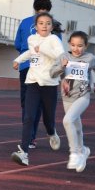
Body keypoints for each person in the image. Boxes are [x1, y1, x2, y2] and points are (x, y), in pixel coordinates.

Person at [11, 12, 64, 166]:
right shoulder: (31, 39)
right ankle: (24, 153)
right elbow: (31, 52)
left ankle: (51, 132)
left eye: (48, 23)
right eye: (41, 23)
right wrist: (18, 60)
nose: (44, 26)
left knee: (48, 120)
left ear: (52, 26)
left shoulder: (54, 39)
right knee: (28, 117)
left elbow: (60, 56)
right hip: (32, 82)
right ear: (36, 26)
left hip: (49, 84)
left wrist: (43, 49)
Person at [51, 31, 95, 172]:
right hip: (67, 97)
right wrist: (61, 67)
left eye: (80, 46)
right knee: (76, 126)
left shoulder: (89, 58)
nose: (76, 49)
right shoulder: (63, 57)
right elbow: (51, 73)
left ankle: (75, 153)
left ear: (86, 46)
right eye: (73, 45)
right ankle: (83, 151)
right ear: (69, 44)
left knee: (67, 120)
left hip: (83, 96)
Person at [14, 0, 53, 149]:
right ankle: (31, 138)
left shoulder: (24, 22)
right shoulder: (52, 25)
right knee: (39, 105)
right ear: (49, 9)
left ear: (34, 8)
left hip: (25, 67)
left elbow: (18, 44)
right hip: (44, 69)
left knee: (26, 104)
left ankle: (26, 137)